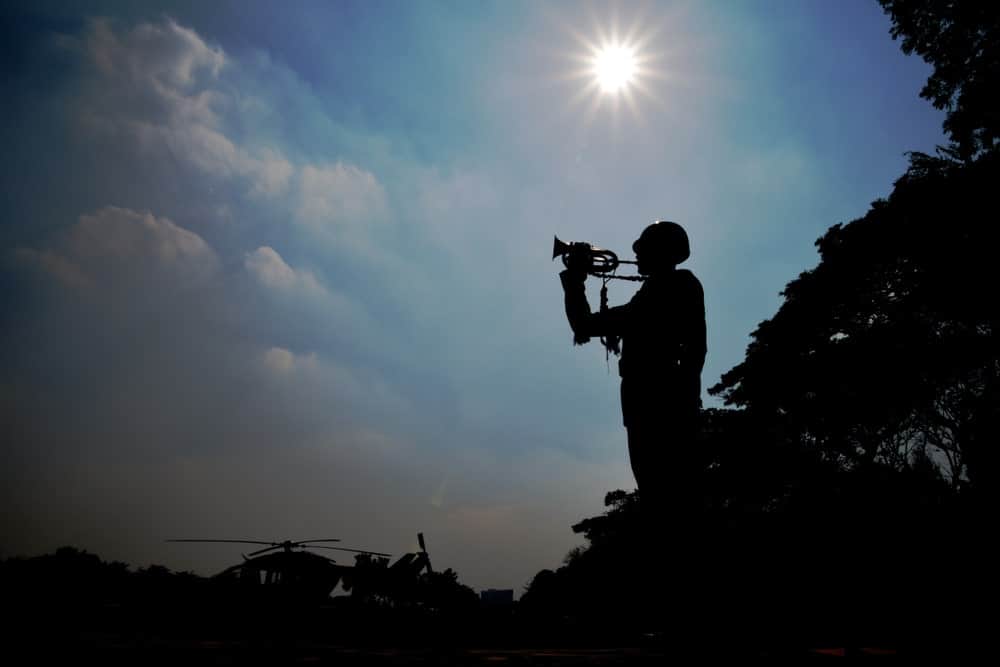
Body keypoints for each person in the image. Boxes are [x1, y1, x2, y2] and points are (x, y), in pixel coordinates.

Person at [559, 221, 707, 522]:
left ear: (662, 253)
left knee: (661, 495)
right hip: (657, 398)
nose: (636, 254)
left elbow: (585, 325)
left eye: (644, 249)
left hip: (656, 399)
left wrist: (575, 279)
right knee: (660, 491)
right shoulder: (664, 290)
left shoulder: (670, 289)